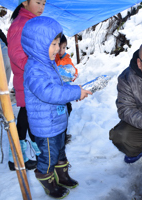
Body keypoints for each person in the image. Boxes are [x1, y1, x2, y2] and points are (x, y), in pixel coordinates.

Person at [21, 16, 92, 199]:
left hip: (57, 121)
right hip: (45, 126)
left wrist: (75, 91)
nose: (57, 49)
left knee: (60, 151)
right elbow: (49, 93)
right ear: (37, 44)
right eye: (52, 44)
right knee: (48, 157)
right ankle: (49, 183)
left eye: (58, 44)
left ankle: (62, 176)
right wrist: (74, 93)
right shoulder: (34, 69)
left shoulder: (49, 64)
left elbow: (59, 89)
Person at [7, 0, 45, 171]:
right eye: (38, 2)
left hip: (32, 76)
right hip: (26, 77)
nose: (42, 7)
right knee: (26, 115)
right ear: (25, 2)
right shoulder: (20, 24)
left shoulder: (30, 21)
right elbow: (16, 54)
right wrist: (37, 67)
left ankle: (28, 152)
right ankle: (16, 155)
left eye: (44, 3)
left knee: (29, 115)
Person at [55, 34, 78, 144]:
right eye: (59, 47)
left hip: (66, 93)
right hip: (58, 94)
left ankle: (63, 133)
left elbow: (74, 70)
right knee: (60, 114)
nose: (61, 50)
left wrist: (73, 74)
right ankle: (60, 136)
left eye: (64, 47)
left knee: (67, 111)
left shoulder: (67, 58)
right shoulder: (52, 58)